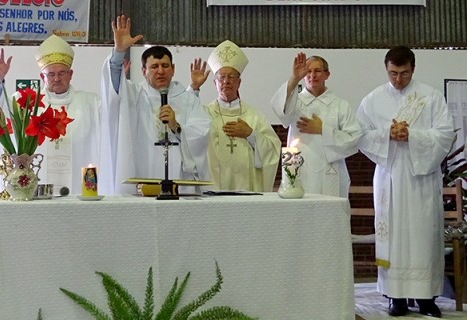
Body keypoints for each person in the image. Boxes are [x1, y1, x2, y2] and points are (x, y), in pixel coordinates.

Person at [356, 46, 455, 318]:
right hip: (389, 177)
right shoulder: (373, 99)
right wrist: (388, 133)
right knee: (394, 237)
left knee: (422, 235)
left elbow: (445, 135)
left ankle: (425, 298)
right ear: (386, 69)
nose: (398, 79)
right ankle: (395, 297)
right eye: (393, 73)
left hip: (420, 178)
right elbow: (360, 134)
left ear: (414, 68)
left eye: (404, 73)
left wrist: (412, 135)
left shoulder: (430, 97)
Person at [100, 15, 210, 194]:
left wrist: (177, 127)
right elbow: (113, 88)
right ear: (143, 71)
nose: (161, 71)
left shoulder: (188, 99)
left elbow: (202, 133)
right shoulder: (134, 96)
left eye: (165, 66)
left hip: (180, 183)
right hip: (142, 176)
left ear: (173, 69)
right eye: (154, 66)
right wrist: (119, 52)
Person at [0, 35, 102, 196]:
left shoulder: (90, 102)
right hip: (35, 190)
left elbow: (114, 115)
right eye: (51, 74)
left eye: (62, 73)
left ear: (71, 74)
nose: (56, 78)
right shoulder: (25, 102)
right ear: (42, 77)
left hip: (79, 189)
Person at [189, 40, 281, 192]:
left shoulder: (255, 116)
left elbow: (273, 148)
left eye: (231, 77)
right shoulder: (205, 114)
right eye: (221, 77)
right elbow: (185, 122)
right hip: (214, 190)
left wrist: (251, 134)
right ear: (215, 83)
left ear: (239, 82)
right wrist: (194, 87)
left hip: (247, 189)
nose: (226, 81)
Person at [271, 53, 360, 197]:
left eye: (317, 71)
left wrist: (323, 130)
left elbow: (354, 139)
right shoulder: (295, 102)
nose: (313, 75)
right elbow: (279, 110)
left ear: (327, 74)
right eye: (308, 71)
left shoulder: (340, 105)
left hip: (330, 170)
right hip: (299, 169)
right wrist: (294, 78)